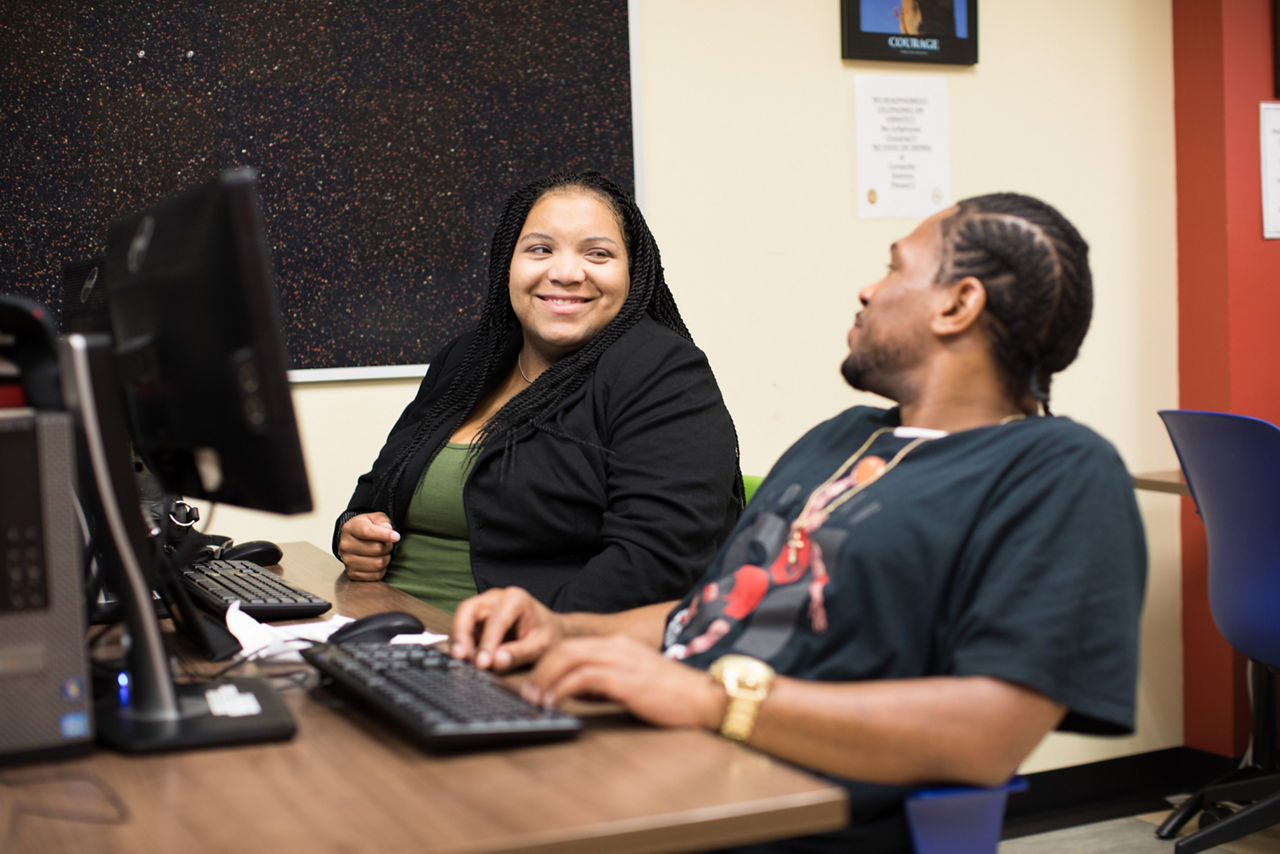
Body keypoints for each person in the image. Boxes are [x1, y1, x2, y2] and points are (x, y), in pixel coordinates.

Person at [449, 193, 1147, 852]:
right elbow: (710, 615)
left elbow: (986, 734)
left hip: (783, 813)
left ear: (958, 304)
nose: (869, 290)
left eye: (894, 266)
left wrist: (711, 699)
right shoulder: (841, 437)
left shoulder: (1058, 468)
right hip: (663, 760)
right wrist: (562, 628)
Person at [335, 171, 742, 614]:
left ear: (634, 272)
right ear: (507, 263)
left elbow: (659, 564)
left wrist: (536, 633)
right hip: (372, 626)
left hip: (518, 657)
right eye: (540, 250)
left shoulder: (662, 373)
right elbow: (373, 496)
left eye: (598, 254)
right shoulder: (471, 358)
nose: (566, 273)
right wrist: (355, 532)